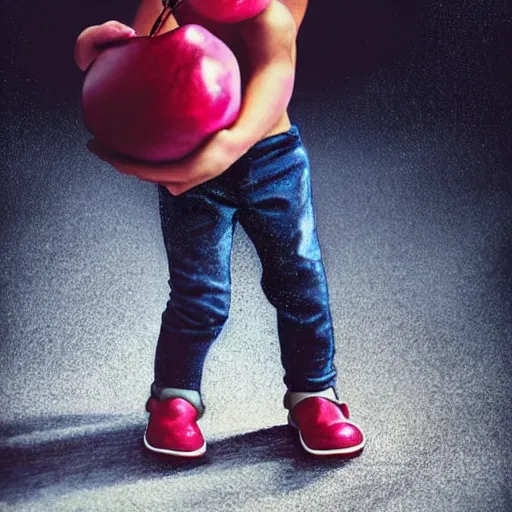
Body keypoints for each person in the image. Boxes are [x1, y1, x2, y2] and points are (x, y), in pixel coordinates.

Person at [74, 0, 365, 458]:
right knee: (198, 294)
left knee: (301, 282)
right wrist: (95, 52)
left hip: (271, 161)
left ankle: (315, 395)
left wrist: (225, 147)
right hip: (190, 165)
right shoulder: (166, 3)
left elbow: (275, 71)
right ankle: (173, 397)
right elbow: (142, 70)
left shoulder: (272, 14)